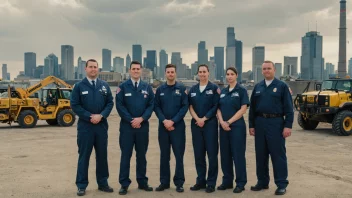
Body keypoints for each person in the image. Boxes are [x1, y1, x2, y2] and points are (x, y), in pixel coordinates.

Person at [248, 60, 294, 196]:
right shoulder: (258, 87)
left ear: (274, 70)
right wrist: (251, 125)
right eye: (264, 69)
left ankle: (281, 184)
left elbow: (289, 109)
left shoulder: (281, 86)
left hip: (276, 123)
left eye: (269, 68)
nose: (267, 71)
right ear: (262, 71)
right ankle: (262, 182)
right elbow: (252, 110)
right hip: (260, 123)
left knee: (277, 155)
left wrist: (287, 126)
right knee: (260, 155)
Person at [70, 59, 114, 196]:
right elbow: (75, 105)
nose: (93, 69)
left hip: (101, 127)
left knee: (102, 156)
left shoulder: (104, 86)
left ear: (98, 69)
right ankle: (81, 185)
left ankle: (103, 183)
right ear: (86, 69)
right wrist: (90, 116)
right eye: (91, 67)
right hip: (85, 128)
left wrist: (101, 116)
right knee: (84, 156)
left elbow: (110, 103)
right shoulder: (78, 86)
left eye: (95, 67)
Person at [115, 60, 155, 195]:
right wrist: (131, 120)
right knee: (126, 156)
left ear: (141, 71)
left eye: (138, 69)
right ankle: (124, 184)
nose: (136, 71)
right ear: (129, 70)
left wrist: (142, 119)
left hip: (142, 127)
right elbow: (119, 106)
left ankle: (142, 182)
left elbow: (151, 105)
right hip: (127, 127)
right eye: (134, 69)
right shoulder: (123, 87)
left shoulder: (147, 87)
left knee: (141, 156)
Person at [154, 64, 189, 193]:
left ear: (175, 73)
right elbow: (156, 107)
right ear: (165, 73)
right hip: (163, 127)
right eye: (168, 72)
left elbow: (184, 107)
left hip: (178, 127)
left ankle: (179, 182)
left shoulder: (182, 88)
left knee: (179, 156)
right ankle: (164, 182)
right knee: (164, 156)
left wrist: (173, 121)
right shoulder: (160, 90)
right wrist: (164, 120)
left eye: (172, 72)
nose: (170, 74)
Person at [217, 67, 249, 193]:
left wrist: (229, 122)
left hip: (237, 127)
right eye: (227, 74)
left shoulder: (241, 90)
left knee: (238, 155)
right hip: (223, 127)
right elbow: (218, 108)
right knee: (225, 155)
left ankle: (240, 183)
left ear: (236, 75)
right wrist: (221, 122)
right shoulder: (223, 91)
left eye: (232, 74)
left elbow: (243, 109)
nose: (229, 76)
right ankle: (227, 181)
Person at [188, 64, 220, 193]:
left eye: (204, 72)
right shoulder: (193, 89)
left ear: (208, 73)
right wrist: (197, 119)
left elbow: (216, 106)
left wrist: (204, 119)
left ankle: (211, 183)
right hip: (196, 125)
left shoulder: (214, 88)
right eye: (200, 72)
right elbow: (190, 106)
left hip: (210, 124)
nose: (202, 74)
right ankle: (201, 181)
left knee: (212, 155)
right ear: (197, 74)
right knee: (199, 154)